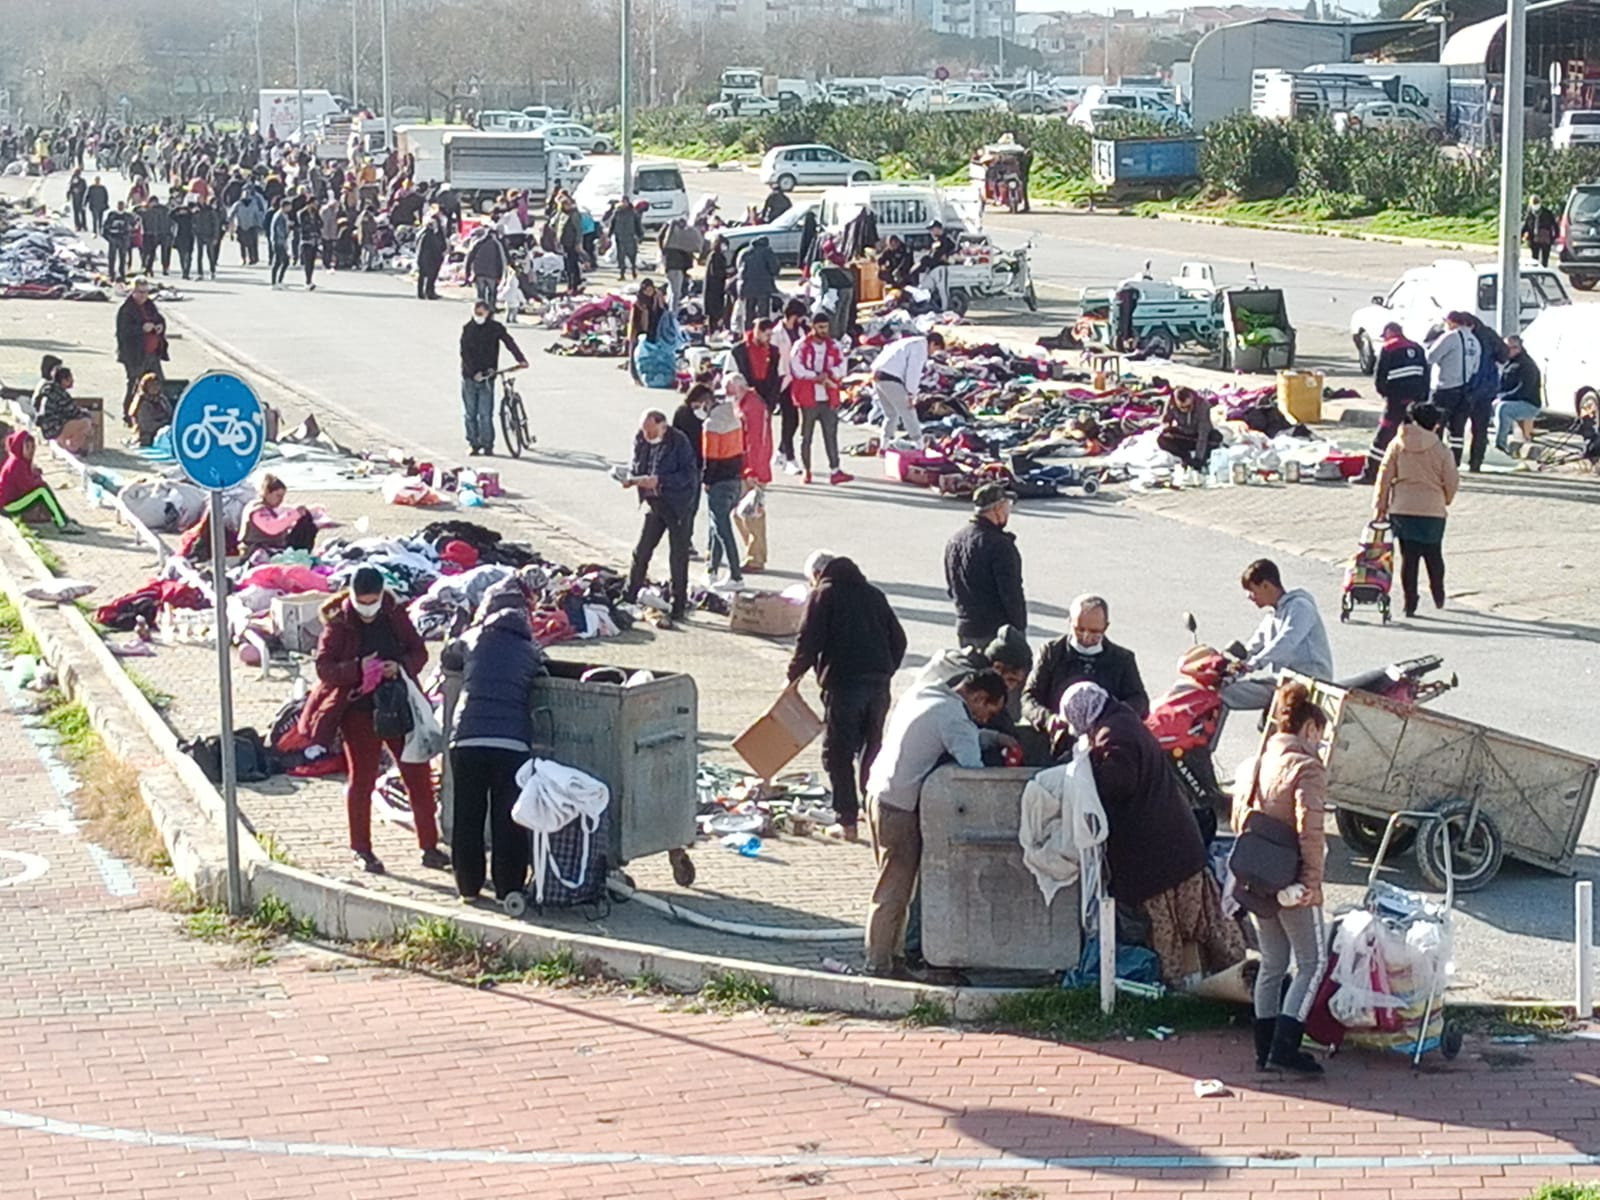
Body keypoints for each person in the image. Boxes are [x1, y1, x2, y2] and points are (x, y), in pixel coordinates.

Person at [1065, 680, 1244, 989]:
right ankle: (1238, 979)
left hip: (1154, 857)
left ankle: (1185, 989)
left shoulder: (1112, 734)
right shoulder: (1123, 720)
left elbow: (1117, 783)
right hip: (1177, 846)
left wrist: (1089, 766)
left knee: (1169, 930)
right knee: (1208, 922)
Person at [300, 566, 448, 876]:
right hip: (358, 711)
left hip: (399, 705)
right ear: (352, 596)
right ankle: (362, 849)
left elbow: (418, 652)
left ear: (382, 595)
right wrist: (358, 669)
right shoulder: (339, 623)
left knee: (417, 775)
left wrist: (400, 666)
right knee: (362, 778)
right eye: (362, 601)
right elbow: (325, 668)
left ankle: (429, 847)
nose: (368, 607)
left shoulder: (394, 614)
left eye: (373, 600)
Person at [863, 670, 1011, 975]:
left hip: (877, 792)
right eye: (988, 710)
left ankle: (892, 955)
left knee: (893, 883)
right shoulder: (955, 717)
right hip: (900, 808)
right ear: (978, 697)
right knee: (895, 888)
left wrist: (993, 737)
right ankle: (879, 964)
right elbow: (972, 770)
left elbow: (952, 734)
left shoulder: (926, 693)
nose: (985, 719)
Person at [1235, 680, 1329, 1076]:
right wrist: (1312, 884)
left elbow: (1241, 813)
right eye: (1320, 737)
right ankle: (1286, 1048)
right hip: (1291, 878)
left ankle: (1263, 1048)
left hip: (1257, 875)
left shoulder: (1259, 758)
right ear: (1309, 729)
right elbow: (1311, 829)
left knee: (1273, 963)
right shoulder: (1307, 767)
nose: (1320, 745)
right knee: (1313, 961)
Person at [788, 551, 908, 843]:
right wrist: (885, 670)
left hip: (844, 684)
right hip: (878, 684)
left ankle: (847, 821)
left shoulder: (823, 595)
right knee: (872, 748)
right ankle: (873, 811)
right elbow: (900, 639)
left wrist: (792, 675)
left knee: (837, 752)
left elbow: (808, 640)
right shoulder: (873, 594)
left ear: (817, 574)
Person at [440, 580, 547, 902]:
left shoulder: (473, 638)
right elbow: (542, 675)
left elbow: (448, 658)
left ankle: (468, 888)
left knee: (467, 816)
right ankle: (509, 889)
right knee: (508, 818)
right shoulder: (531, 650)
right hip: (511, 743)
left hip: (467, 739)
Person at [1023, 594, 1148, 747]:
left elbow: (1140, 702)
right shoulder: (1051, 653)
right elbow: (1029, 699)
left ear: (1106, 627)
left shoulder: (1122, 659)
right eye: (1079, 629)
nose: (1086, 637)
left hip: (1105, 744)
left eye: (1095, 632)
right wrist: (1048, 719)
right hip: (1057, 742)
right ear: (1069, 622)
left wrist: (1112, 720)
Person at [1373, 401, 1459, 618]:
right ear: (1433, 425)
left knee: (1408, 558)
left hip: (1402, 509)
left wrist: (1380, 506)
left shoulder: (1397, 444)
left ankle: (1410, 601)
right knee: (1433, 554)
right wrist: (1445, 500)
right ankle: (1438, 592)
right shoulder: (1441, 450)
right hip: (1432, 510)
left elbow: (1384, 477)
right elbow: (1451, 480)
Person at [1222, 559, 1334, 710]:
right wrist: (1232, 666)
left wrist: (1253, 664)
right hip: (1285, 680)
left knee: (1232, 694)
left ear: (1266, 585)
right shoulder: (1272, 617)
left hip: (1309, 682)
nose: (1249, 597)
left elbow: (1286, 641)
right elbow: (1253, 648)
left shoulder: (1300, 607)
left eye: (1252, 590)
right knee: (1225, 690)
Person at [622, 409, 700, 623]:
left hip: (678, 504)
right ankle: (629, 595)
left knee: (678, 556)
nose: (646, 435)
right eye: (644, 431)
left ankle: (679, 604)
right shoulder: (641, 438)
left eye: (651, 431)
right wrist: (632, 479)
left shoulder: (679, 442)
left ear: (663, 426)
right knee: (642, 550)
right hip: (654, 502)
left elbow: (689, 475)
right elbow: (638, 463)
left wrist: (660, 480)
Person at [944, 482, 1025, 645]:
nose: (1009, 510)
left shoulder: (955, 540)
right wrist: (1019, 629)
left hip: (966, 628)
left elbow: (951, 588)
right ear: (997, 508)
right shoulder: (1000, 545)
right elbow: (1011, 593)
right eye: (1007, 505)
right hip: (996, 633)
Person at [1360, 321, 1428, 484]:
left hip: (1396, 400)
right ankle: (1416, 473)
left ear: (1390, 332)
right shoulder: (1417, 348)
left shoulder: (1389, 348)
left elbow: (1380, 377)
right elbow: (1426, 374)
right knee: (1413, 436)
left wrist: (1386, 394)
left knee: (1383, 436)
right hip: (1415, 401)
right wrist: (1422, 398)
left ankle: (1371, 473)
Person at [459, 299, 528, 456]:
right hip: (470, 377)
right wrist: (473, 372)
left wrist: (520, 359)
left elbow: (509, 342)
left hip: (488, 376)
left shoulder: (495, 328)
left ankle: (488, 444)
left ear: (488, 313)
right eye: (476, 313)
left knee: (485, 413)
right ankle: (474, 443)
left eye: (481, 313)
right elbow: (465, 354)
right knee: (470, 413)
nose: (479, 316)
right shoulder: (468, 329)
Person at [789, 310, 850, 485]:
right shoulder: (801, 345)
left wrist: (829, 374)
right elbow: (797, 368)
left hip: (829, 397)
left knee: (831, 435)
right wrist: (816, 377)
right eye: (821, 327)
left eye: (826, 327)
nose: (824, 331)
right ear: (813, 327)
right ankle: (807, 471)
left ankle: (835, 470)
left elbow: (842, 367)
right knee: (806, 436)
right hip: (808, 397)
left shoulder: (834, 346)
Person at [700, 380, 745, 589]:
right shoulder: (735, 420)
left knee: (721, 529)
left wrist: (706, 481)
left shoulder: (712, 425)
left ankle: (735, 575)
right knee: (716, 526)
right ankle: (712, 569)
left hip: (718, 482)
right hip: (735, 479)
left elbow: (711, 459)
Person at [870, 331, 942, 449]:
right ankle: (919, 445)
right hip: (891, 378)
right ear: (932, 343)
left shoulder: (909, 341)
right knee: (908, 412)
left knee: (891, 414)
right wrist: (911, 394)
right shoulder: (920, 348)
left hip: (878, 375)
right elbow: (913, 371)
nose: (932, 353)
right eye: (934, 349)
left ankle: (884, 445)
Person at [730, 371, 772, 572]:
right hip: (746, 466)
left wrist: (752, 470)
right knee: (740, 513)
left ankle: (756, 557)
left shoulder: (753, 407)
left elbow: (756, 441)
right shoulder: (746, 403)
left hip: (752, 469)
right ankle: (754, 553)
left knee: (750, 514)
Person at [1426, 311, 1479, 465]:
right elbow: (1475, 368)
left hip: (1445, 388)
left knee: (1437, 426)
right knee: (1457, 429)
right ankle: (1454, 462)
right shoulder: (1474, 340)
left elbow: (1430, 357)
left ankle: (1433, 461)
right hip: (1464, 389)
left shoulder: (1450, 337)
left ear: (1451, 322)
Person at [0, 431, 78, 532]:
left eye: (33, 447)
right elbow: (27, 487)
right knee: (42, 491)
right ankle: (62, 523)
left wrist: (35, 474)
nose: (31, 451)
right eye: (27, 447)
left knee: (43, 489)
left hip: (13, 501)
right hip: (7, 506)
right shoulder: (17, 464)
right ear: (19, 447)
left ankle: (61, 517)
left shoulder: (21, 461)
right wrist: (36, 477)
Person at [115, 278, 168, 424]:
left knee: (159, 383)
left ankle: (157, 414)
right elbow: (123, 333)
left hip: (152, 353)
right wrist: (141, 329)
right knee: (134, 384)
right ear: (133, 291)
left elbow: (159, 319)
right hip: (135, 355)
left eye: (146, 292)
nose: (143, 296)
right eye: (140, 292)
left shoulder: (150, 306)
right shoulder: (126, 310)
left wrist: (159, 327)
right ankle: (128, 415)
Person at [1460, 313, 1508, 473]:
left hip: (1466, 387)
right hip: (1487, 388)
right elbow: (1503, 356)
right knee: (1480, 429)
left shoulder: (1461, 337)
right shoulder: (1489, 334)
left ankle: (1454, 462)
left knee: (1457, 426)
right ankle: (1476, 463)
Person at [770, 301, 807, 472]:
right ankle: (790, 458)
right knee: (789, 418)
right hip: (782, 379)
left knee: (794, 421)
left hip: (796, 379)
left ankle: (781, 451)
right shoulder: (776, 334)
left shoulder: (799, 331)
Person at [239, 473, 319, 554]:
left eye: (282, 496)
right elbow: (272, 528)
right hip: (257, 549)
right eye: (278, 496)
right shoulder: (257, 510)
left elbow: (285, 512)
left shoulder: (269, 508)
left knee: (306, 524)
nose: (281, 499)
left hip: (271, 547)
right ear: (267, 493)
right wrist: (295, 514)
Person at [1493, 334, 1543, 457]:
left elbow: (1523, 390)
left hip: (1529, 404)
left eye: (1510, 347)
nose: (1506, 351)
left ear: (1518, 348)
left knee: (1503, 409)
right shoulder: (1508, 363)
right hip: (1512, 399)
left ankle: (1500, 445)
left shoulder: (1527, 365)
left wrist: (1502, 398)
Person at [34, 364, 94, 456]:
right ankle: (73, 448)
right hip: (53, 429)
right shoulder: (60, 394)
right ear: (63, 380)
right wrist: (87, 413)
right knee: (86, 423)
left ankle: (63, 442)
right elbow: (74, 412)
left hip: (46, 428)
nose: (72, 381)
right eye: (70, 378)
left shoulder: (48, 389)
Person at [1157, 386, 1221, 471]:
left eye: (1188, 406)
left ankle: (1202, 457)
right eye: (1181, 407)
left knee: (1215, 439)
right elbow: (1165, 420)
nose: (1185, 410)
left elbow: (1203, 433)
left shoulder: (1202, 405)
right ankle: (1184, 455)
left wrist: (1198, 458)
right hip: (1183, 433)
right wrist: (1167, 428)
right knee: (1162, 438)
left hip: (1198, 435)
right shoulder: (1171, 402)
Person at [734, 235, 779, 331]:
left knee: (748, 314)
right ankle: (762, 333)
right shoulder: (767, 252)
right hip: (763, 287)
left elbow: (738, 267)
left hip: (746, 287)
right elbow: (774, 268)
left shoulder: (744, 252)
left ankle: (748, 333)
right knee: (763, 315)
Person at [464, 226, 508, 309]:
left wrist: (468, 274)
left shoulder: (478, 243)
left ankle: (480, 310)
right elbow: (502, 261)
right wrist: (501, 276)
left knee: (481, 295)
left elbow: (469, 258)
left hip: (479, 273)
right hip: (492, 274)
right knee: (492, 293)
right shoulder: (498, 244)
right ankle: (491, 310)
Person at [917, 220, 956, 310]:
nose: (931, 232)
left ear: (938, 229)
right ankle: (936, 307)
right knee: (929, 288)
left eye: (932, 229)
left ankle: (945, 309)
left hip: (941, 267)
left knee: (943, 290)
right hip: (933, 268)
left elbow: (950, 251)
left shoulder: (946, 239)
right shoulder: (936, 241)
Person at [128, 371, 173, 448]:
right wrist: (164, 424)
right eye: (151, 385)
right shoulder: (142, 403)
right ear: (145, 387)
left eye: (156, 385)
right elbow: (147, 426)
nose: (155, 387)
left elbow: (170, 413)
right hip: (147, 436)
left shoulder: (162, 399)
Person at [608, 194, 643, 279]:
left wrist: (640, 235)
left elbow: (637, 224)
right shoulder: (617, 212)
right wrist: (610, 234)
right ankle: (622, 274)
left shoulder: (632, 212)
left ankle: (633, 270)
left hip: (630, 236)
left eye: (625, 201)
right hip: (620, 237)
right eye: (622, 201)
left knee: (632, 255)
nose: (624, 203)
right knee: (621, 256)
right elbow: (612, 223)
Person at [554, 195, 583, 295]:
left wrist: (578, 243)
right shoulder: (561, 214)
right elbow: (554, 225)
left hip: (572, 243)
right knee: (567, 266)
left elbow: (578, 230)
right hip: (564, 243)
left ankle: (573, 285)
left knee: (572, 265)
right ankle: (570, 285)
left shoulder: (574, 215)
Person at [415, 208, 446, 300]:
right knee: (429, 275)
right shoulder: (428, 235)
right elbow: (435, 246)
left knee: (424, 275)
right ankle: (428, 293)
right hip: (429, 257)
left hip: (426, 257)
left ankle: (423, 293)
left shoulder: (423, 233)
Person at [101, 200, 134, 281]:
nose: (121, 207)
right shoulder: (112, 215)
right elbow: (105, 227)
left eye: (122, 205)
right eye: (119, 205)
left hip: (123, 239)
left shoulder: (128, 216)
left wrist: (128, 236)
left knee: (123, 258)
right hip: (113, 238)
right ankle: (111, 273)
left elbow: (133, 226)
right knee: (112, 257)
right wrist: (108, 237)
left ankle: (122, 274)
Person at [1522, 194, 1559, 268]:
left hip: (1545, 240)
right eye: (1534, 203)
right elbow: (1526, 225)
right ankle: (1535, 274)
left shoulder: (1547, 213)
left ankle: (1543, 274)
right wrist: (1521, 235)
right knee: (1534, 259)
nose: (1535, 205)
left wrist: (1554, 237)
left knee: (1545, 260)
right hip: (1533, 239)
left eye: (1537, 202)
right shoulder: (1530, 214)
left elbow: (1554, 225)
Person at [139, 192, 171, 276]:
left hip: (160, 232)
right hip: (153, 232)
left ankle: (163, 268)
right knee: (152, 252)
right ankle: (149, 268)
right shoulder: (146, 210)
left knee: (162, 252)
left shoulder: (160, 209)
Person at [703, 236, 730, 332]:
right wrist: (726, 273)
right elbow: (715, 272)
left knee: (715, 311)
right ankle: (712, 331)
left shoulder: (717, 255)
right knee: (714, 311)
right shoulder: (715, 256)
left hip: (716, 287)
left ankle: (714, 330)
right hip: (714, 288)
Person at [193, 195, 223, 279]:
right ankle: (200, 273)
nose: (199, 201)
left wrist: (216, 236)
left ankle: (212, 271)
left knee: (210, 255)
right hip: (199, 235)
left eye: (201, 199)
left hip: (209, 234)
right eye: (198, 199)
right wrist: (194, 232)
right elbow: (192, 222)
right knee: (199, 255)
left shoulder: (209, 210)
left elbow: (215, 224)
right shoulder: (195, 210)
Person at [297, 197, 322, 289]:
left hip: (315, 240)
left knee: (312, 262)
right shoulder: (302, 213)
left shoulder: (315, 213)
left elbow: (320, 223)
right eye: (314, 203)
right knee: (307, 261)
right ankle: (307, 281)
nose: (316, 205)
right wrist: (311, 228)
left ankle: (310, 280)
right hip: (306, 240)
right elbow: (302, 226)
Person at [267, 198, 292, 288]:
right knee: (279, 262)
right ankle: (274, 282)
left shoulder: (283, 215)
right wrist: (284, 240)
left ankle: (279, 281)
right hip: (278, 241)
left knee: (284, 262)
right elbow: (279, 230)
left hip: (281, 241)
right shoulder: (279, 216)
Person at [170, 195, 197, 280]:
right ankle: (184, 271)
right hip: (180, 237)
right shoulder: (179, 217)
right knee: (182, 256)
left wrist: (188, 210)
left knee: (189, 256)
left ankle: (186, 272)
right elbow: (170, 214)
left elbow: (196, 214)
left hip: (190, 237)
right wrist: (178, 208)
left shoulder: (191, 216)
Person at [67, 168, 88, 232]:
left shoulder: (81, 181)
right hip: (76, 199)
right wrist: (69, 194)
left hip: (81, 198)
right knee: (77, 212)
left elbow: (84, 189)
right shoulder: (73, 180)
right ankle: (79, 225)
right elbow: (70, 188)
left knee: (81, 212)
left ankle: (82, 225)